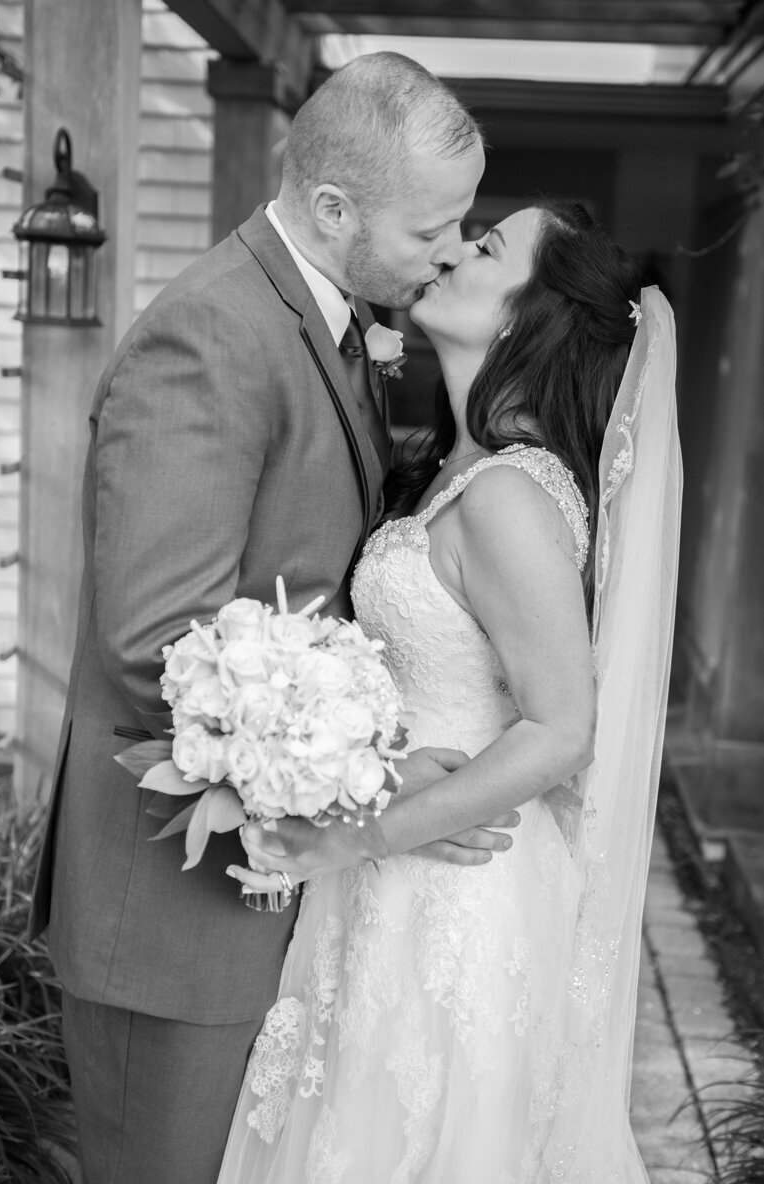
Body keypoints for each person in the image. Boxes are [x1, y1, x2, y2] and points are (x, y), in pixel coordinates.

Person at [28, 53, 523, 1184]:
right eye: (431, 229)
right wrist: (386, 783)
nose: (451, 251)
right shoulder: (211, 336)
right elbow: (163, 641)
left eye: (466, 226)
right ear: (333, 207)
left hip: (263, 889)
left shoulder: (330, 318)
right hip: (169, 921)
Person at [219, 200, 682, 1181]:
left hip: (459, 895)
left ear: (524, 315)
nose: (453, 249)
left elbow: (563, 730)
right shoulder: (450, 472)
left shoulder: (511, 498)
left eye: (486, 245)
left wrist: (364, 834)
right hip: (396, 869)